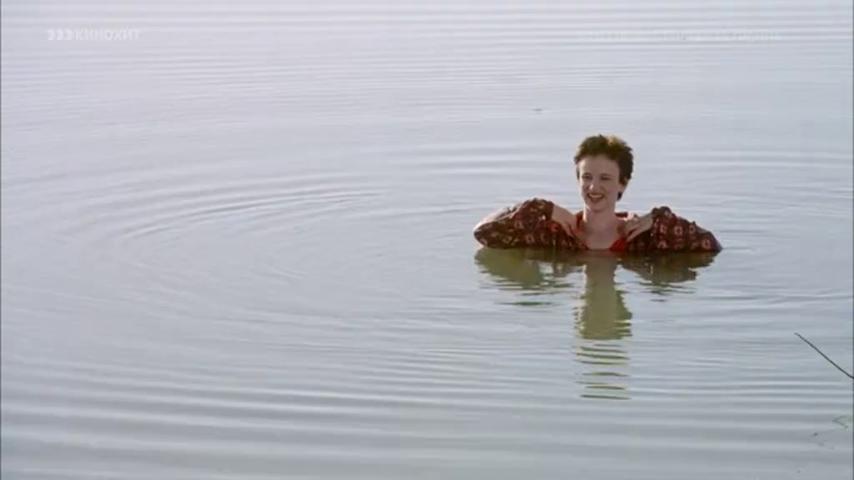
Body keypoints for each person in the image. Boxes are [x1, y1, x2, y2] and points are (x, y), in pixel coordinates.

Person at [473, 134, 722, 253]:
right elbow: (485, 233)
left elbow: (710, 246)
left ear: (623, 184)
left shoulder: (645, 238)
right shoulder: (556, 234)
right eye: (587, 177)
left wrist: (660, 220)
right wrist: (543, 208)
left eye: (605, 179)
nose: (593, 188)